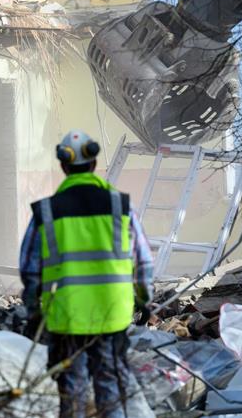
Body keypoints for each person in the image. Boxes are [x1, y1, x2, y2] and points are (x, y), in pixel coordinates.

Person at [19, 130, 154, 418]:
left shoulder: (46, 211)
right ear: (94, 164)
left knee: (72, 394)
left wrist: (33, 312)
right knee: (111, 391)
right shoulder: (120, 206)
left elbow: (29, 270)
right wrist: (144, 299)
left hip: (66, 318)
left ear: (63, 166)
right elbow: (143, 261)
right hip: (111, 316)